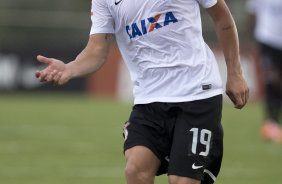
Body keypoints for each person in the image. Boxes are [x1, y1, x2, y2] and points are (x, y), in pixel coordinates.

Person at [35, 0, 249, 183]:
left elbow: (223, 19)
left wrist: (235, 73)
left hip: (197, 93)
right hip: (149, 98)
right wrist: (70, 68)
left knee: (181, 180)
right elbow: (97, 49)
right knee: (135, 169)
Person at [246, 0, 282, 143]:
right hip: (267, 39)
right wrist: (251, 39)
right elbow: (252, 13)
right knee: (271, 81)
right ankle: (271, 124)